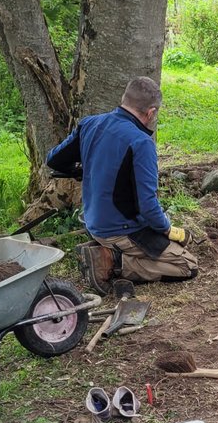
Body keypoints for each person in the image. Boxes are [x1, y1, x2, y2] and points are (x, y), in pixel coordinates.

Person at [46, 76, 198, 294]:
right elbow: (147, 205)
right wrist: (168, 230)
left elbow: (54, 160)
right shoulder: (141, 142)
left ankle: (107, 252)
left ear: (124, 99)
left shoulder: (90, 123)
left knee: (170, 244)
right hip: (119, 230)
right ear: (151, 113)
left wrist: (83, 168)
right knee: (186, 265)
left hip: (93, 222)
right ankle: (112, 262)